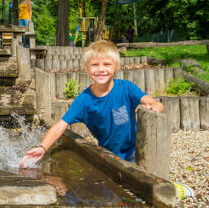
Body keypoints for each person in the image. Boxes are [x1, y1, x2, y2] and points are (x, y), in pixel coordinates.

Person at [18, 41, 163, 167]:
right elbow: (61, 125)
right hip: (108, 155)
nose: (101, 69)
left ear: (116, 67)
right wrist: (42, 148)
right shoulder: (84, 101)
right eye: (94, 65)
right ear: (87, 68)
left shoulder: (126, 88)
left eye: (107, 64)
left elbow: (154, 103)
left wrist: (152, 107)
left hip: (135, 150)